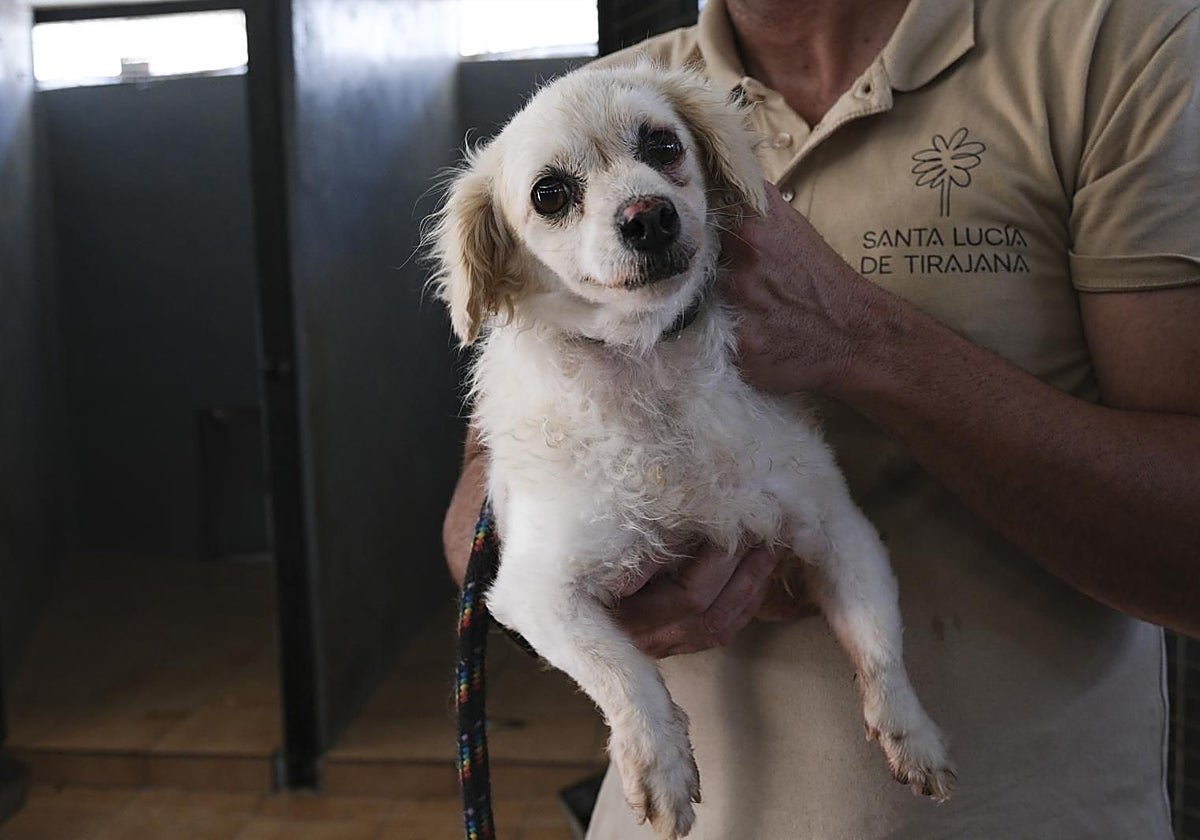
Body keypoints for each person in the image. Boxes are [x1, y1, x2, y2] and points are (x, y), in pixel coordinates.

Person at [442, 0, 1200, 836]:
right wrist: (580, 592)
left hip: (1025, 814)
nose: (640, 202)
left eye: (663, 157)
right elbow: (482, 505)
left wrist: (858, 337)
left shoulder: (1117, 40)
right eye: (556, 196)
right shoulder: (601, 98)